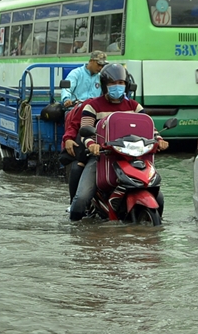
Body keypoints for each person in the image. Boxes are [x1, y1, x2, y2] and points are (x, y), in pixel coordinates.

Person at [68, 63, 169, 221]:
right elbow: (85, 131)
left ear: (126, 85)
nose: (117, 87)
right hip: (102, 157)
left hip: (133, 158)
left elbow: (149, 127)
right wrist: (92, 145)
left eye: (121, 83)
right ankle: (74, 230)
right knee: (81, 199)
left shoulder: (134, 106)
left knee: (159, 197)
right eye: (113, 83)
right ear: (104, 85)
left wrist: (160, 139)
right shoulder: (92, 106)